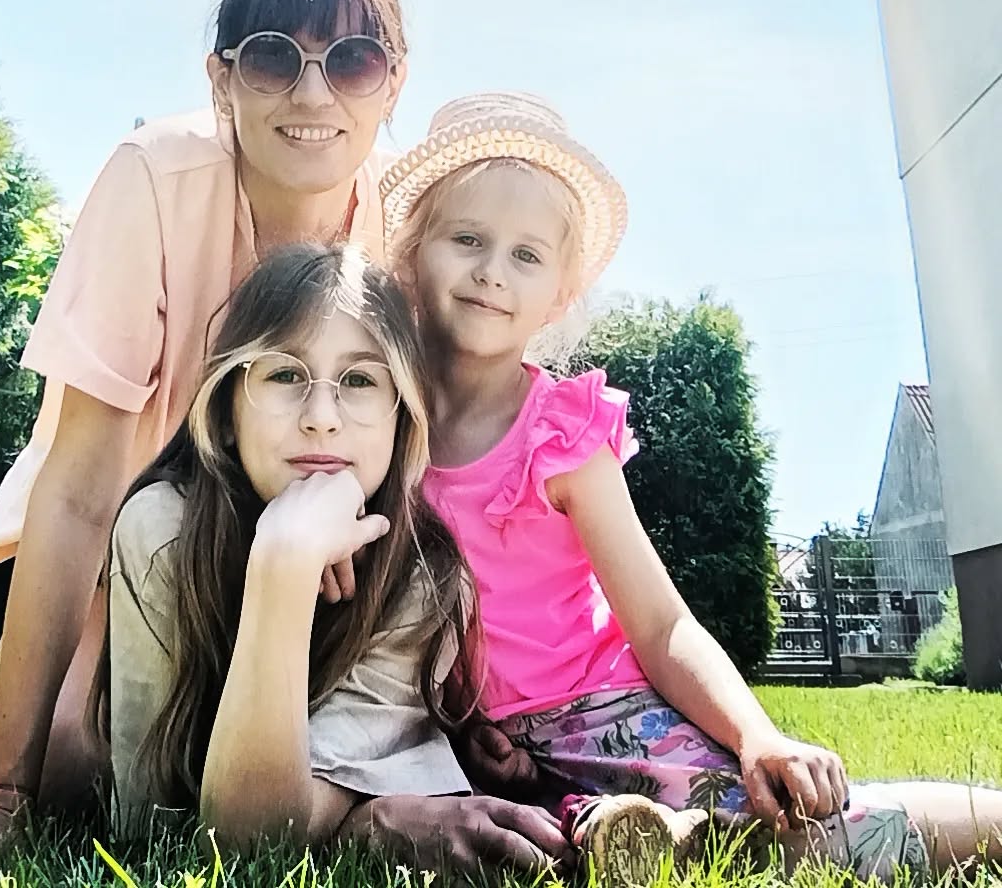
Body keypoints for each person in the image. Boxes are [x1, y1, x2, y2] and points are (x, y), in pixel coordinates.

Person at [0, 0, 563, 873]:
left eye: (353, 61)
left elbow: (444, 439)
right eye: (275, 56)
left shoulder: (406, 223)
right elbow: (78, 492)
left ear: (393, 84)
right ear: (220, 78)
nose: (313, 95)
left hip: (329, 556)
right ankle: (340, 806)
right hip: (136, 549)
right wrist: (2, 799)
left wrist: (470, 690)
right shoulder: (154, 179)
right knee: (88, 783)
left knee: (278, 747)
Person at [380, 90, 1002, 881]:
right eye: (466, 238)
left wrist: (757, 736)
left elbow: (661, 623)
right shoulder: (382, 423)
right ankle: (635, 833)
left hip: (599, 720)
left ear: (561, 293)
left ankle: (977, 820)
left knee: (801, 831)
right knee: (516, 854)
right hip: (467, 749)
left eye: (526, 255)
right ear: (412, 254)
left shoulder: (562, 438)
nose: (491, 273)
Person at [107, 242, 563, 874]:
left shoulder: (421, 580)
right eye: (284, 374)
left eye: (359, 380)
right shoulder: (161, 530)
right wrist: (284, 562)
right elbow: (152, 827)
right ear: (228, 412)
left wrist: (355, 817)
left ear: (400, 421)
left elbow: (257, 838)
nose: (321, 418)